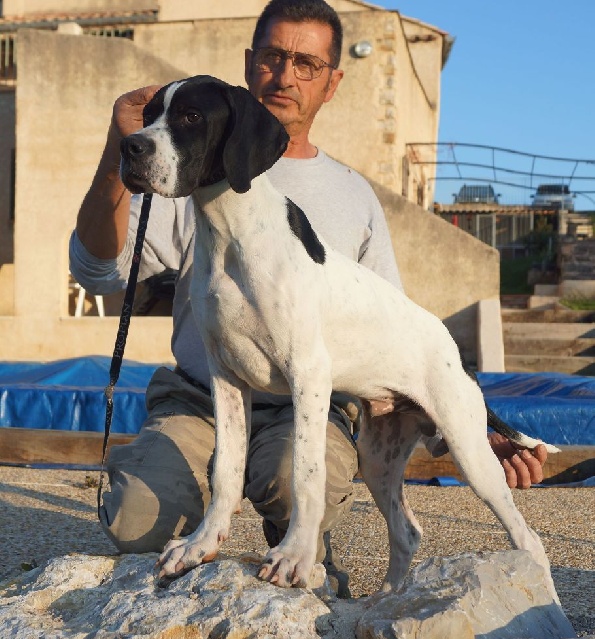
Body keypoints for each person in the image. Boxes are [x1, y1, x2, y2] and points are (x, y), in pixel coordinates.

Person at [71, 0, 547, 595]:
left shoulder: (356, 197)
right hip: (198, 400)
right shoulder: (191, 183)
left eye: (306, 63)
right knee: (135, 517)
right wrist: (121, 151)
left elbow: (386, 331)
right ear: (250, 65)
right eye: (273, 57)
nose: (286, 75)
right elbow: (96, 273)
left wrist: (479, 426)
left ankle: (525, 558)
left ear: (332, 82)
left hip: (327, 396)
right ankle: (235, 528)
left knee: (455, 482)